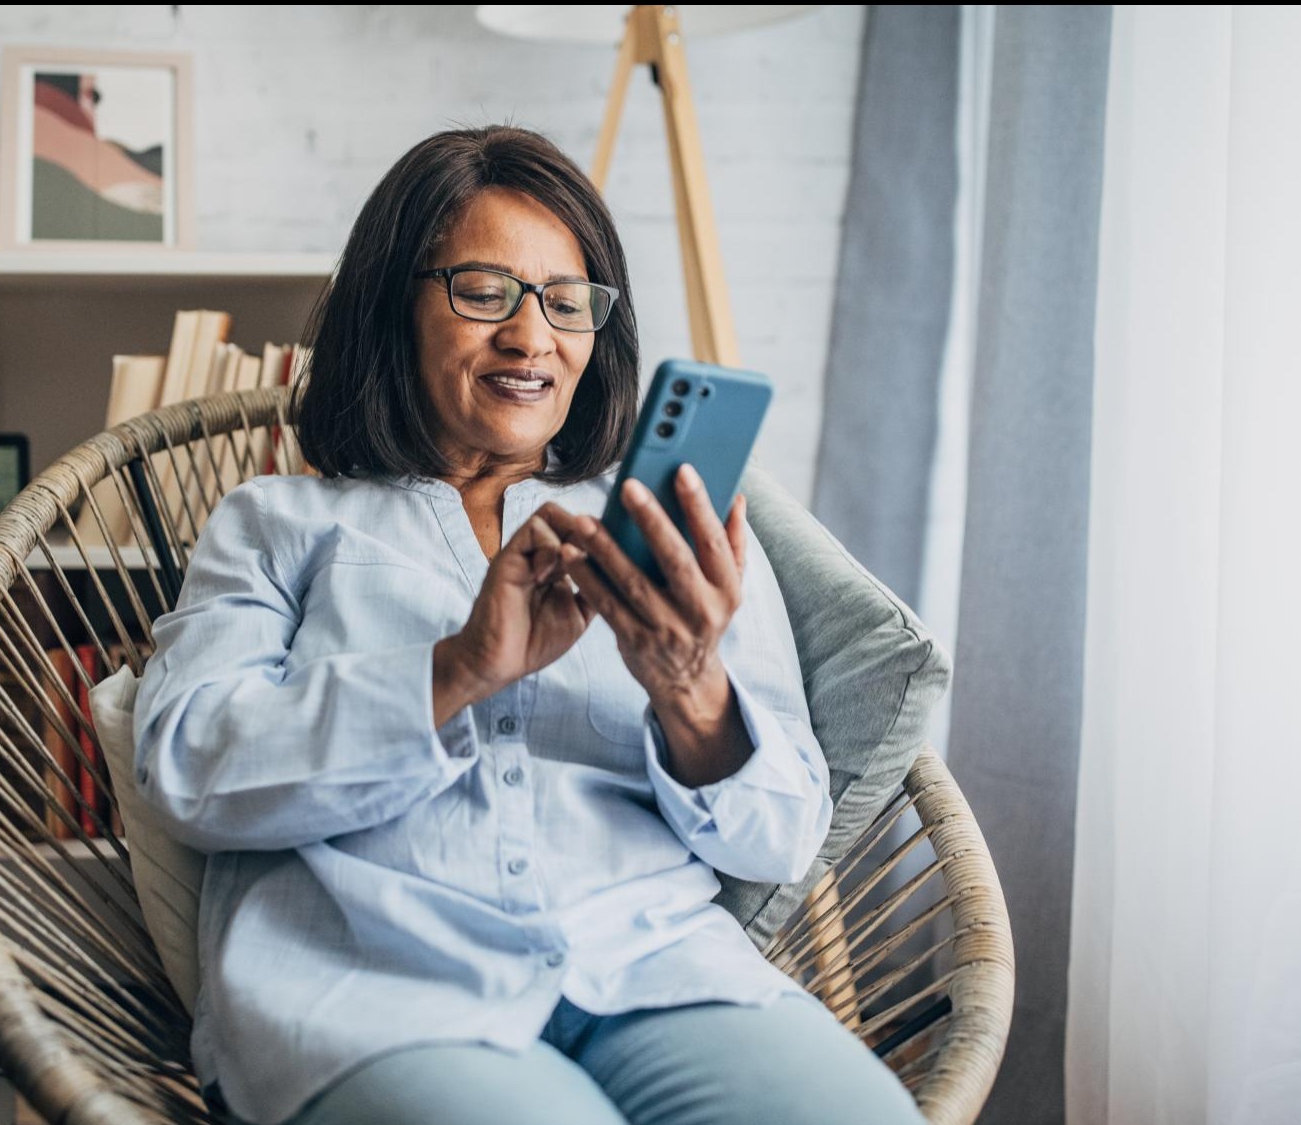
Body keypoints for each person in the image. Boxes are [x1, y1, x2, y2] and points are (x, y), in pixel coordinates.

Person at [131, 124, 924, 1125]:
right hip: (379, 992)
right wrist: (458, 669)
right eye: (483, 291)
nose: (530, 336)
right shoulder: (277, 523)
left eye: (565, 300)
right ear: (392, 304)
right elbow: (189, 768)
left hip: (653, 968)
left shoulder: (665, 528)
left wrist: (690, 687)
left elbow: (782, 836)